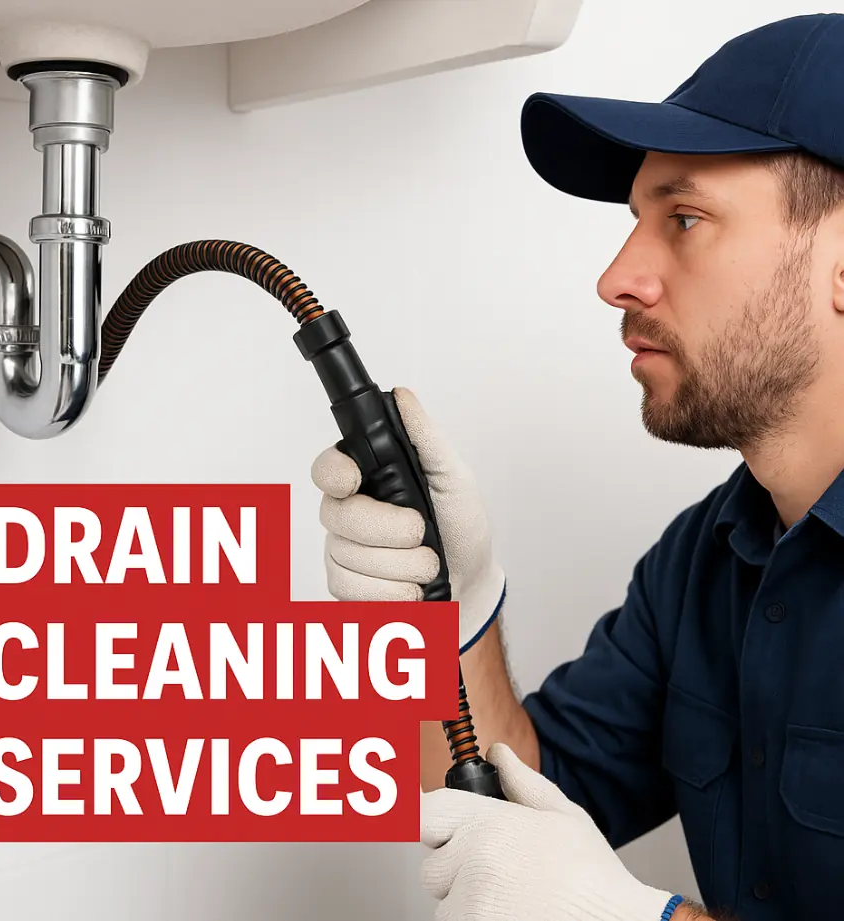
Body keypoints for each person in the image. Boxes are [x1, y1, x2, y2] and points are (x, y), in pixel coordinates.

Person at [310, 12, 844, 921]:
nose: (617, 275)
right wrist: (454, 609)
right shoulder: (705, 559)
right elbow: (512, 806)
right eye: (637, 220)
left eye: (682, 218)